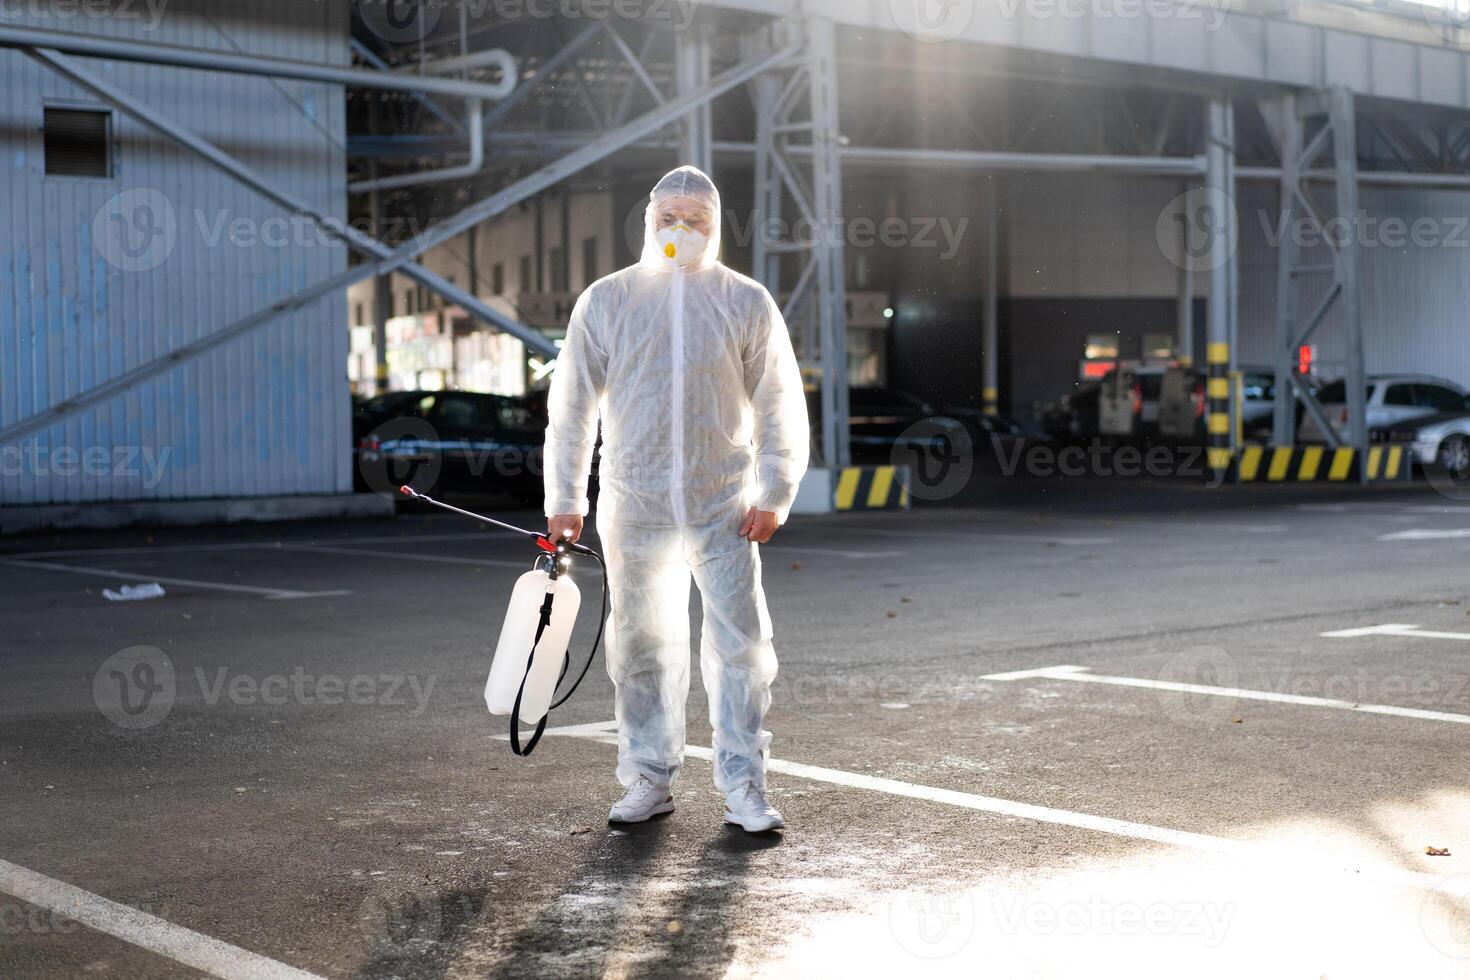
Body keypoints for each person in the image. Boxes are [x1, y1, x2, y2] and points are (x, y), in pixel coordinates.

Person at [543, 165, 809, 833]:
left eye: (697, 219)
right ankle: (647, 778)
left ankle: (745, 785)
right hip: (634, 504)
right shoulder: (609, 301)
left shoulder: (744, 301)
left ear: (716, 229)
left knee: (741, 647)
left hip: (724, 503)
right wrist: (564, 496)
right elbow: (572, 407)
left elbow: (778, 401)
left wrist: (774, 490)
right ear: (649, 222)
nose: (682, 229)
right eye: (670, 217)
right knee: (640, 645)